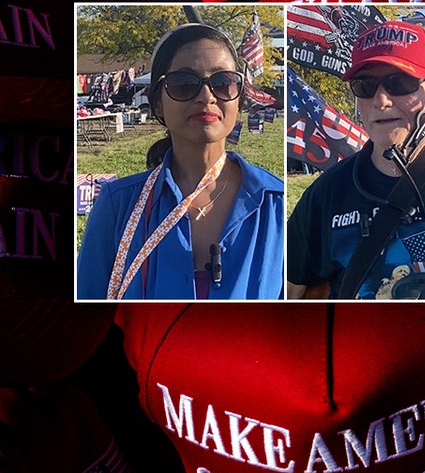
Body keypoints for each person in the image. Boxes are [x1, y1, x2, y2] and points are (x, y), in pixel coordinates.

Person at [286, 20, 425, 300]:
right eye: (366, 85)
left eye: (400, 82)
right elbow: (287, 293)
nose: (381, 100)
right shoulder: (326, 194)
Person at [76, 24, 285, 300]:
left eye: (223, 82)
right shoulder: (118, 205)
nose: (207, 97)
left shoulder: (275, 204)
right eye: (184, 83)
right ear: (158, 102)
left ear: (239, 99)